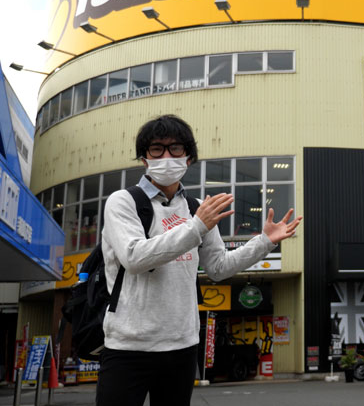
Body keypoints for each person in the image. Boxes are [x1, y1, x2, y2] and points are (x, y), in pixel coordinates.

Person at [96, 114, 302, 406]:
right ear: (144, 159)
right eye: (157, 149)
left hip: (182, 345)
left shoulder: (195, 209)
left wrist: (264, 242)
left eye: (175, 149)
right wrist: (196, 227)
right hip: (128, 346)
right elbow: (134, 257)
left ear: (188, 157)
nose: (167, 157)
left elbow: (218, 268)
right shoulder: (123, 201)